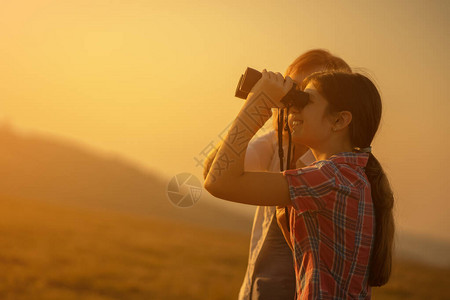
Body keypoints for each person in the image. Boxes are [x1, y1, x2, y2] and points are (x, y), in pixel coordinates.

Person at [204, 70, 395, 299]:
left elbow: (219, 181)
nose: (294, 108)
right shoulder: (347, 175)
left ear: (339, 120)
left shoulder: (330, 179)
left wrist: (258, 103)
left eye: (306, 100)